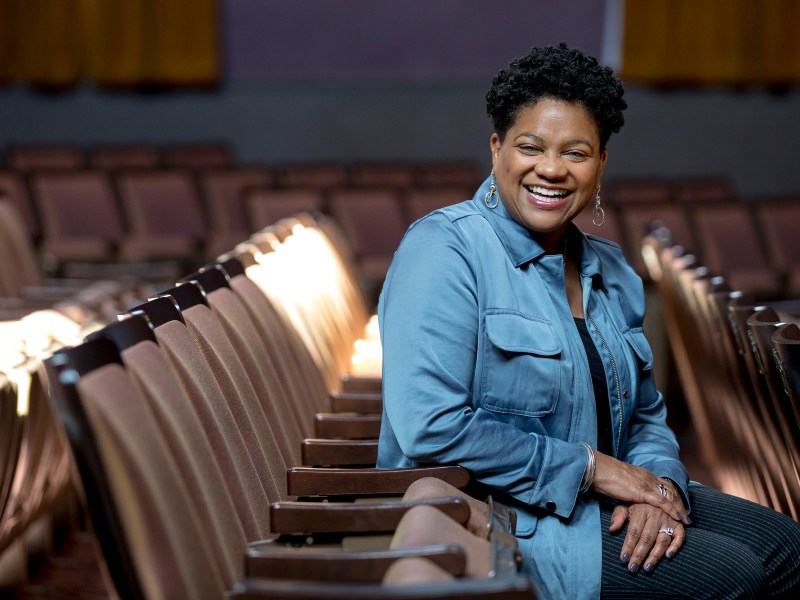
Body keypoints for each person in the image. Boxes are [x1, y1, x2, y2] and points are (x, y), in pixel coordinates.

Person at [377, 42, 800, 599]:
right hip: (506, 515)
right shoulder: (443, 249)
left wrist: (660, 489)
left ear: (601, 162)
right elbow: (430, 428)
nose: (550, 169)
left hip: (606, 500)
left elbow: (647, 417)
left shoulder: (615, 270)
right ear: (497, 148)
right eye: (530, 146)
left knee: (788, 546)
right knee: (733, 575)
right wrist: (595, 470)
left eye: (575, 152)